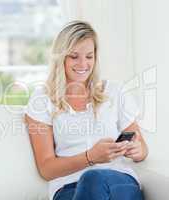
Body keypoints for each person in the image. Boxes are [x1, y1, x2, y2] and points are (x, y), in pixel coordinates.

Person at [24, 20, 148, 200]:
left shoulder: (115, 91)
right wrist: (90, 157)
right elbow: (46, 168)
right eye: (74, 56)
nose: (83, 64)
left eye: (89, 56)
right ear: (61, 57)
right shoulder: (42, 99)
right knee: (90, 179)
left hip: (117, 183)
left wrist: (138, 150)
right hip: (68, 188)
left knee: (94, 178)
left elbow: (142, 147)